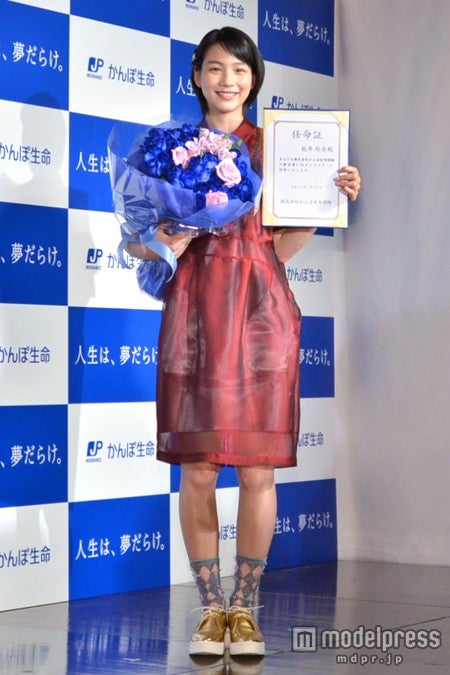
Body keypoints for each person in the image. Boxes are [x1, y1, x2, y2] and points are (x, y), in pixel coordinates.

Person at [126, 27, 361, 658]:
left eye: (239, 69)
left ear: (254, 79)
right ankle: (211, 612)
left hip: (261, 316)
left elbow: (279, 248)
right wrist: (161, 241)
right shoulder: (170, 149)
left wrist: (324, 201)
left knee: (258, 470)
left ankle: (246, 611)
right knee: (199, 468)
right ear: (197, 76)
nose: (227, 80)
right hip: (196, 315)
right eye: (215, 68)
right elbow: (136, 242)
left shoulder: (278, 148)